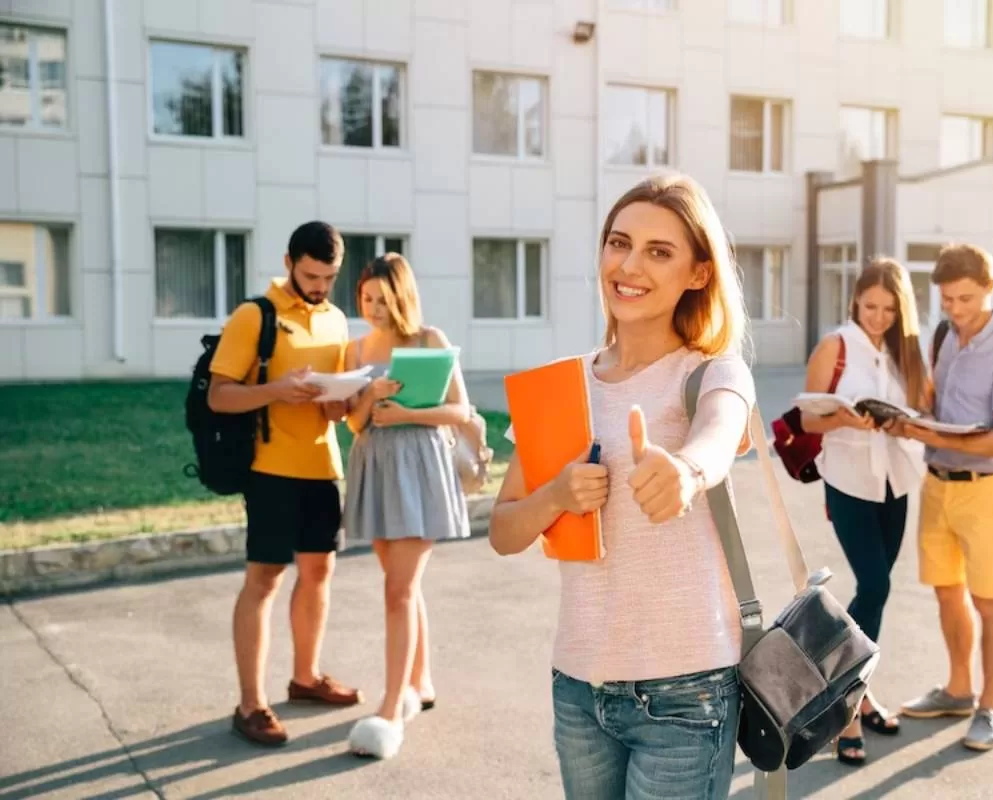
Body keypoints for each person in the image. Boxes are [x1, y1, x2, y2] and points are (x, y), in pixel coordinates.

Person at [489, 173, 755, 800]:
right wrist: (555, 496)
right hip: (578, 687)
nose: (629, 265)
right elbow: (502, 532)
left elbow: (719, 434)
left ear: (698, 273)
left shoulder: (713, 371)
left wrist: (687, 472)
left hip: (686, 691)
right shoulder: (557, 386)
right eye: (619, 243)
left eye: (659, 252)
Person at [208, 221, 362, 747]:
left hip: (324, 468)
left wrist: (340, 402)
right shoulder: (256, 315)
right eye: (311, 274)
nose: (319, 285)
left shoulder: (337, 320)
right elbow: (220, 396)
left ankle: (306, 677)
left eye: (329, 276)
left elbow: (337, 409)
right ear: (289, 261)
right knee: (265, 579)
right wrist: (276, 390)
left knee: (319, 573)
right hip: (270, 469)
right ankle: (250, 704)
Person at [890, 243, 993, 752]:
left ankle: (990, 708)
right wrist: (913, 416)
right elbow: (936, 398)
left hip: (989, 492)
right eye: (948, 299)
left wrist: (937, 436)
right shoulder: (945, 337)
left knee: (989, 601)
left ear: (991, 289)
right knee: (946, 592)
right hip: (938, 486)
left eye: (967, 298)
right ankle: (958, 689)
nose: (956, 309)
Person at [341, 253, 473, 759]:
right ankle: (422, 680)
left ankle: (393, 705)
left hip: (418, 468)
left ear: (402, 296)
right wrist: (370, 395)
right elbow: (353, 424)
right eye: (365, 299)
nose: (373, 308)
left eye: (382, 298)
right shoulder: (357, 349)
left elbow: (460, 410)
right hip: (374, 468)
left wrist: (407, 413)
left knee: (397, 590)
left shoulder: (428, 340)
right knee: (405, 587)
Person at [800, 258, 928, 766]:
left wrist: (902, 423)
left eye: (889, 310)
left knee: (875, 594)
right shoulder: (835, 345)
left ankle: (861, 690)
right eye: (870, 307)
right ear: (855, 301)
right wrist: (845, 417)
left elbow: (920, 409)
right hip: (849, 480)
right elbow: (807, 415)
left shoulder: (904, 352)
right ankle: (844, 705)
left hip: (897, 482)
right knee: (874, 586)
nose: (878, 317)